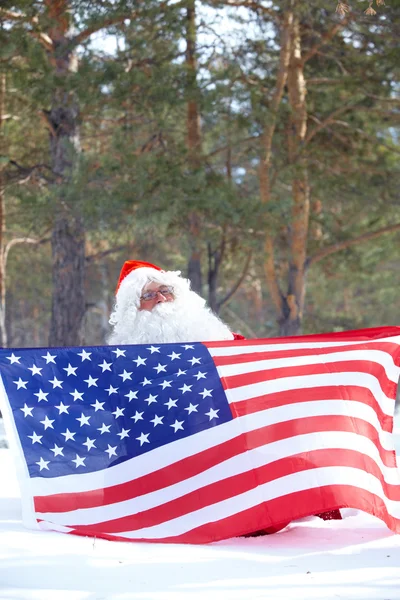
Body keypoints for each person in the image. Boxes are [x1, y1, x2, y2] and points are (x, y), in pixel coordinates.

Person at [108, 259, 341, 531]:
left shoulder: (218, 336)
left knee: (279, 478)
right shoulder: (122, 363)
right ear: (132, 310)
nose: (160, 299)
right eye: (148, 295)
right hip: (167, 455)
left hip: (230, 443)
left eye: (165, 290)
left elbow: (259, 381)